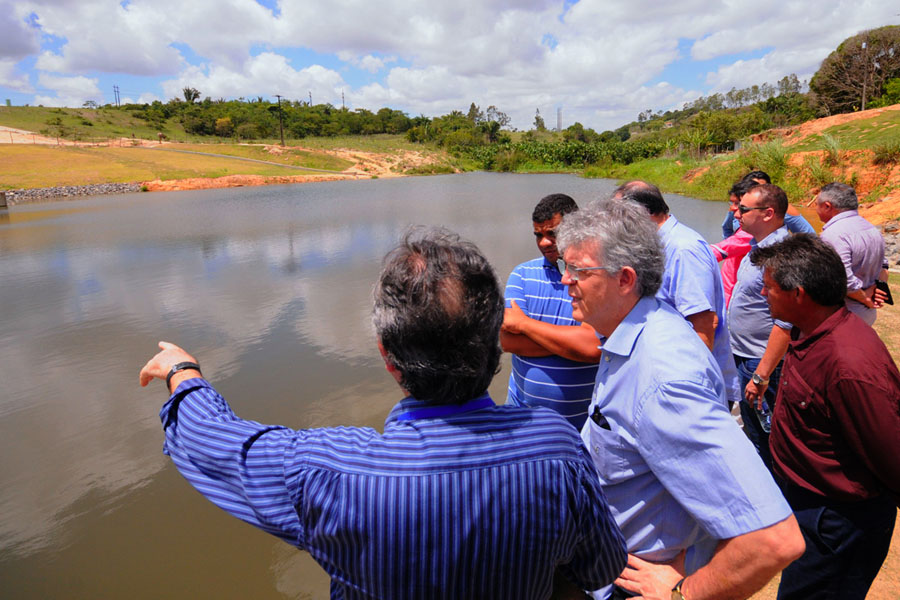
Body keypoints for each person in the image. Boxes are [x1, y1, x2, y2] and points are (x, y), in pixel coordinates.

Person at [139, 227, 628, 599]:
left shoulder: (328, 471)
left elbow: (217, 442)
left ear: (387, 356)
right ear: (495, 347)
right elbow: (600, 568)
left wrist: (182, 372)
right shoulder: (557, 448)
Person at [556, 198, 804, 600]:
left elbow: (773, 539)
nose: (566, 280)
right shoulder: (631, 331)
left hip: (634, 584)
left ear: (624, 279)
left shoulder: (663, 377)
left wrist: (683, 591)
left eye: (579, 270)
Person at [751, 233, 900, 600]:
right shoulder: (811, 332)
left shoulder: (848, 364)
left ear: (799, 294)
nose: (762, 295)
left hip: (837, 525)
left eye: (768, 288)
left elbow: (893, 456)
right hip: (809, 509)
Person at [617, 181, 739, 407]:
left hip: (692, 387)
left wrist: (683, 390)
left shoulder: (684, 249)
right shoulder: (656, 246)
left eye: (621, 216)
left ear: (643, 214)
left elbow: (703, 326)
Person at [501, 193, 602, 429]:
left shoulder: (594, 275)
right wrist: (570, 343)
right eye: (539, 235)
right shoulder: (521, 275)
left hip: (583, 425)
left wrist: (525, 325)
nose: (544, 242)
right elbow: (507, 340)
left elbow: (590, 347)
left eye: (552, 234)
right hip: (523, 419)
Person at [728, 183, 793, 469]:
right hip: (745, 355)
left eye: (743, 209)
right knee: (753, 433)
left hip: (761, 360)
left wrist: (762, 375)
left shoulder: (780, 255)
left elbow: (786, 323)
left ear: (768, 214)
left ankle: (776, 497)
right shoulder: (758, 247)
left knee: (767, 436)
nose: (736, 212)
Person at [815, 182, 887, 326]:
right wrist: (877, 288)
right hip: (866, 313)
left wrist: (864, 297)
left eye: (817, 204)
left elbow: (842, 279)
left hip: (843, 314)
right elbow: (883, 268)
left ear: (827, 206)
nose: (815, 209)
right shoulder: (871, 229)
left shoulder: (833, 235)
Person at [722, 171, 814, 237]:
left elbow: (809, 236)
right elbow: (727, 229)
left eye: (762, 189)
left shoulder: (783, 209)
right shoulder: (736, 208)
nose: (757, 193)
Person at [710, 179, 755, 307]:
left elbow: (718, 251)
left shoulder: (750, 234)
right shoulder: (744, 227)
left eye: (738, 204)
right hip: (728, 295)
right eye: (732, 203)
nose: (732, 208)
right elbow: (726, 230)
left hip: (734, 299)